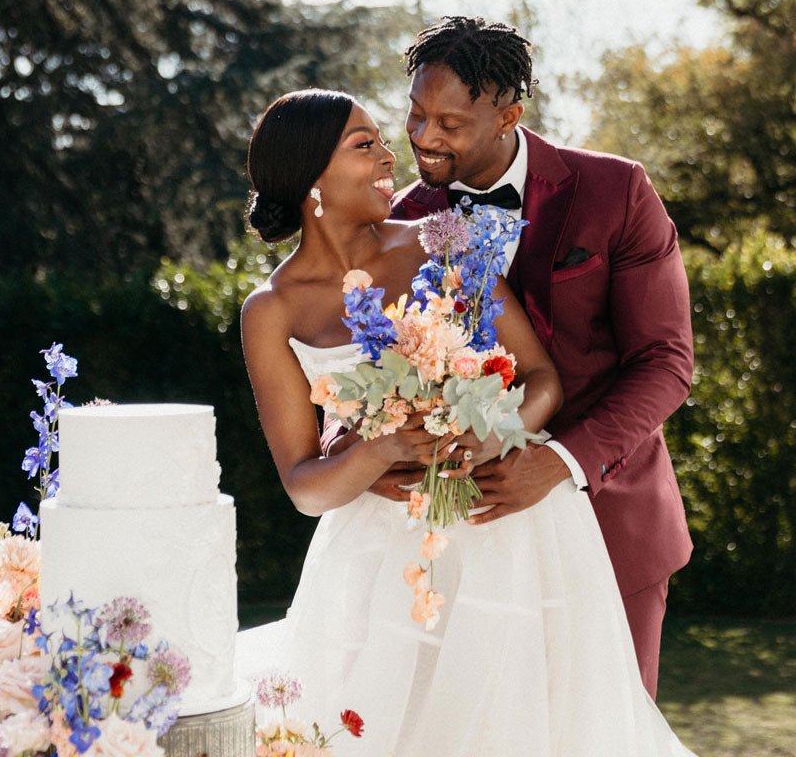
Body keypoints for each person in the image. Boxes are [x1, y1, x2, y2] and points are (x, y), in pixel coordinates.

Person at [237, 88, 695, 756]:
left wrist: (488, 431)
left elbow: (542, 382)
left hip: (511, 533)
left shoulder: (440, 245)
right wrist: (382, 447)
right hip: (377, 563)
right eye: (364, 145)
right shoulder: (269, 310)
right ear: (312, 179)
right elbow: (306, 486)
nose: (392, 151)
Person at [369, 16, 693, 699]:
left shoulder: (617, 192)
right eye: (416, 113)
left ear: (509, 115)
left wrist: (560, 462)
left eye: (450, 123)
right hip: (466, 541)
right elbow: (372, 361)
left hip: (611, 524)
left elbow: (666, 362)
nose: (424, 137)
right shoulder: (399, 221)